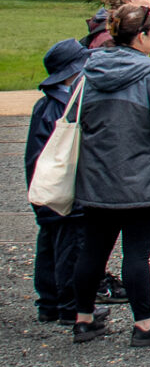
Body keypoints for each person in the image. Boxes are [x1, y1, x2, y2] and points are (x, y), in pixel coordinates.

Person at [70, 4, 150, 346]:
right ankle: (144, 323)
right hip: (141, 176)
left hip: (96, 175)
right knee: (135, 254)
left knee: (93, 250)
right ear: (142, 36)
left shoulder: (88, 69)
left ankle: (83, 318)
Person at [27, 40, 89, 325]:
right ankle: (69, 306)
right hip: (63, 189)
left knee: (48, 243)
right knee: (70, 246)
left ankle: (48, 303)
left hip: (44, 187)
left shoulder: (45, 104)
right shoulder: (65, 107)